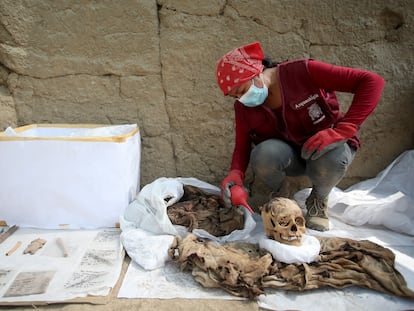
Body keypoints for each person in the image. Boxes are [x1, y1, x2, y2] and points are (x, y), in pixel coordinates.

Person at [216, 41, 384, 231]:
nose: (242, 99)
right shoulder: (244, 107)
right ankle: (283, 199)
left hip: (326, 152)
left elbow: (372, 82)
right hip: (290, 158)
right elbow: (242, 145)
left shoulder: (303, 72)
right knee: (264, 154)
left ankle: (318, 200)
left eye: (242, 91)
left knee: (334, 158)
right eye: (235, 97)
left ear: (256, 72)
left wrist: (344, 129)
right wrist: (235, 173)